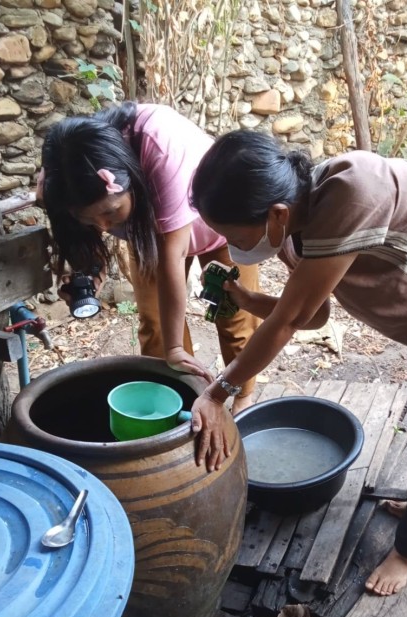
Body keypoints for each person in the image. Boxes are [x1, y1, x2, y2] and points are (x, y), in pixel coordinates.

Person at [188, 129, 407, 595]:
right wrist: (248, 299)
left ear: (275, 213)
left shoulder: (351, 193)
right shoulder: (295, 227)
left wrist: (218, 392)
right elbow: (315, 314)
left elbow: (290, 320)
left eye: (232, 235)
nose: (230, 246)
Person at [39, 102, 260, 414]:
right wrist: (88, 268)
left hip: (223, 227)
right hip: (151, 235)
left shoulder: (160, 144)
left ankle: (242, 397)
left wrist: (175, 347)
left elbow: (173, 255)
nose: (103, 227)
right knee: (155, 325)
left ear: (127, 177)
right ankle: (179, 404)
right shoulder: (65, 173)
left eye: (111, 212)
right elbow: (82, 230)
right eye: (89, 220)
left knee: (233, 316)